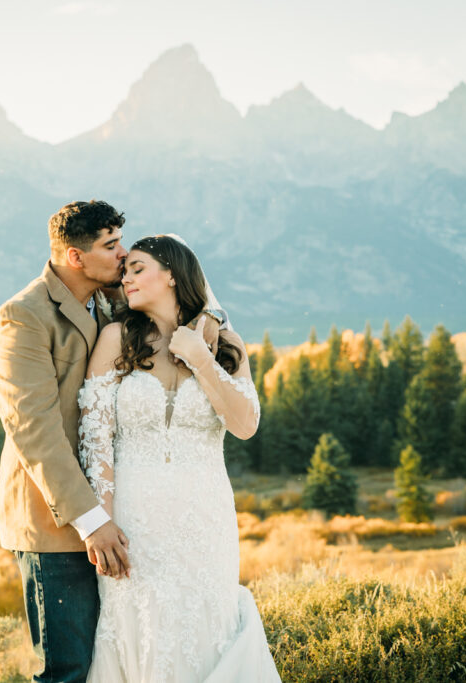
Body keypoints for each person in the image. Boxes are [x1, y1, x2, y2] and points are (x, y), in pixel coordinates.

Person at [0, 202, 219, 682]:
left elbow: (185, 291)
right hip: (56, 521)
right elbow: (34, 431)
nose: (123, 254)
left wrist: (213, 316)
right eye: (110, 245)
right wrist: (92, 522)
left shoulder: (113, 295)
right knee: (69, 670)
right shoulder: (23, 317)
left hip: (121, 516)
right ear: (76, 257)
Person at [78, 235, 280, 682]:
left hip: (204, 518)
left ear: (171, 274)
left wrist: (201, 360)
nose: (125, 278)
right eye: (124, 270)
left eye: (137, 268)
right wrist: (102, 520)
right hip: (134, 519)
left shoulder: (226, 343)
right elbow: (95, 438)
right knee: (140, 629)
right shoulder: (116, 338)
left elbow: (245, 425)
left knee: (205, 625)